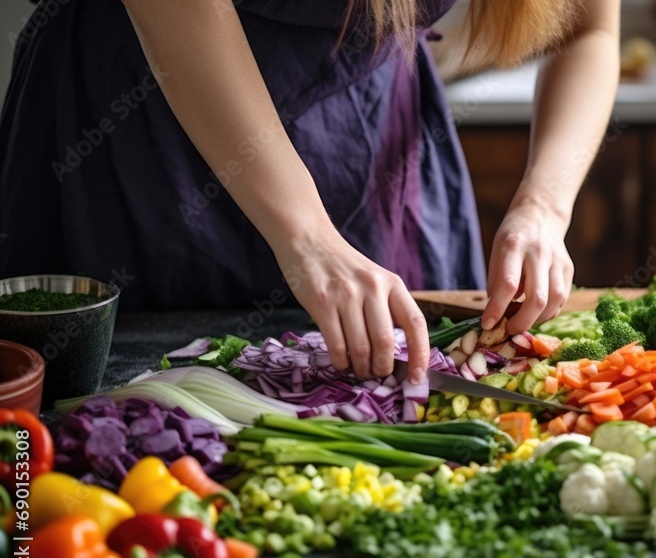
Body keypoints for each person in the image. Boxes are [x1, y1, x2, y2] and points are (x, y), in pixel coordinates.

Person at [0, 0, 621, 383]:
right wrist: (307, 235)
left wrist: (543, 206)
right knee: (127, 410)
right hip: (142, 125)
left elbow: (588, 30)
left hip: (372, 145)